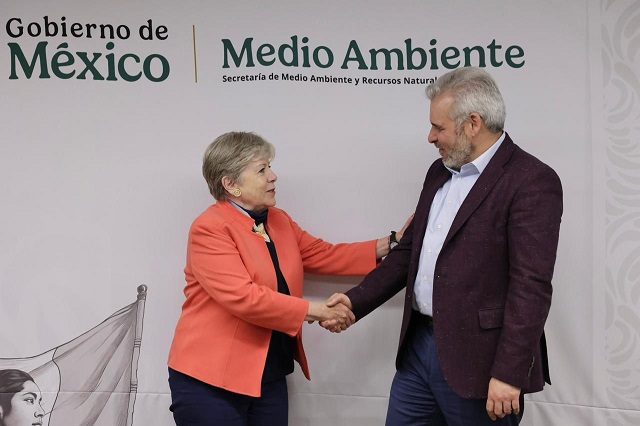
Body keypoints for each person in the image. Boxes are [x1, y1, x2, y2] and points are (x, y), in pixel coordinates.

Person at [324, 67, 563, 425]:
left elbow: (531, 287)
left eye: (439, 127)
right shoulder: (438, 172)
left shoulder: (531, 180)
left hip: (482, 362)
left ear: (473, 123)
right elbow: (409, 254)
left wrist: (509, 372)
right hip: (418, 350)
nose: (430, 137)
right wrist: (354, 301)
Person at [167, 131, 410, 425]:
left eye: (269, 167)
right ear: (230, 184)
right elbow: (244, 298)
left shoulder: (278, 219)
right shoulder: (209, 228)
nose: (273, 176)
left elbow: (324, 255)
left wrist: (394, 242)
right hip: (209, 379)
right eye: (262, 170)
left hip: (268, 373)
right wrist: (318, 310)